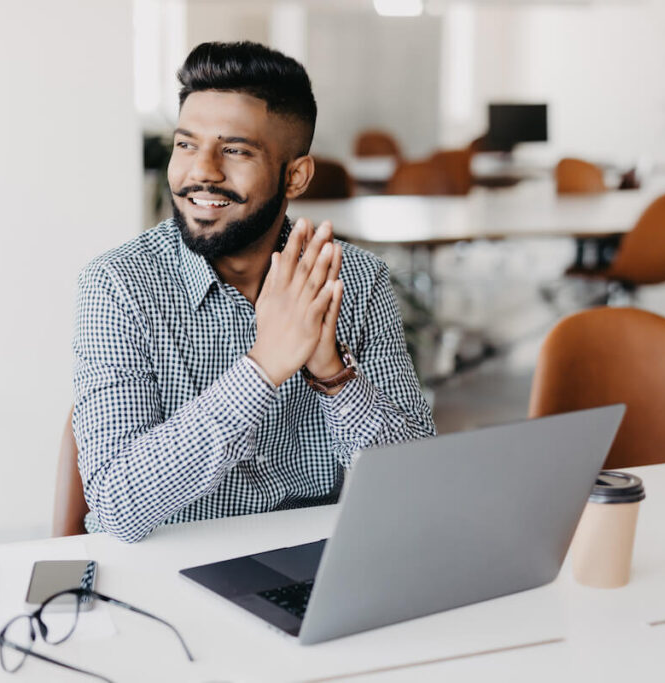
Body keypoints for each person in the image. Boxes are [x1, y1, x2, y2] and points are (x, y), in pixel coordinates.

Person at [72, 41, 434, 543]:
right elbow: (116, 505)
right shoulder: (119, 286)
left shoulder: (356, 279)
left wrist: (334, 376)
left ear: (297, 176)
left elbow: (418, 484)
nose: (201, 171)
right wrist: (264, 367)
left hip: (308, 565)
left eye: (236, 150)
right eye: (186, 144)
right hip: (165, 565)